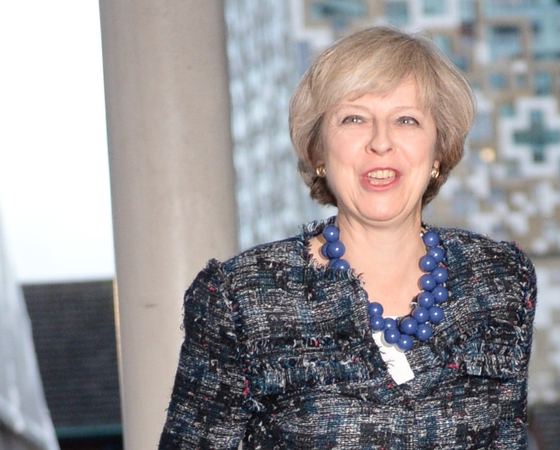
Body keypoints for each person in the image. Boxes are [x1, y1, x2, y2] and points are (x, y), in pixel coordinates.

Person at [159, 26, 537, 449]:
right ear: (319, 151)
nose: (381, 142)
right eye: (354, 118)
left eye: (406, 119)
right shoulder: (239, 298)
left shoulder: (500, 279)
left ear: (439, 151)